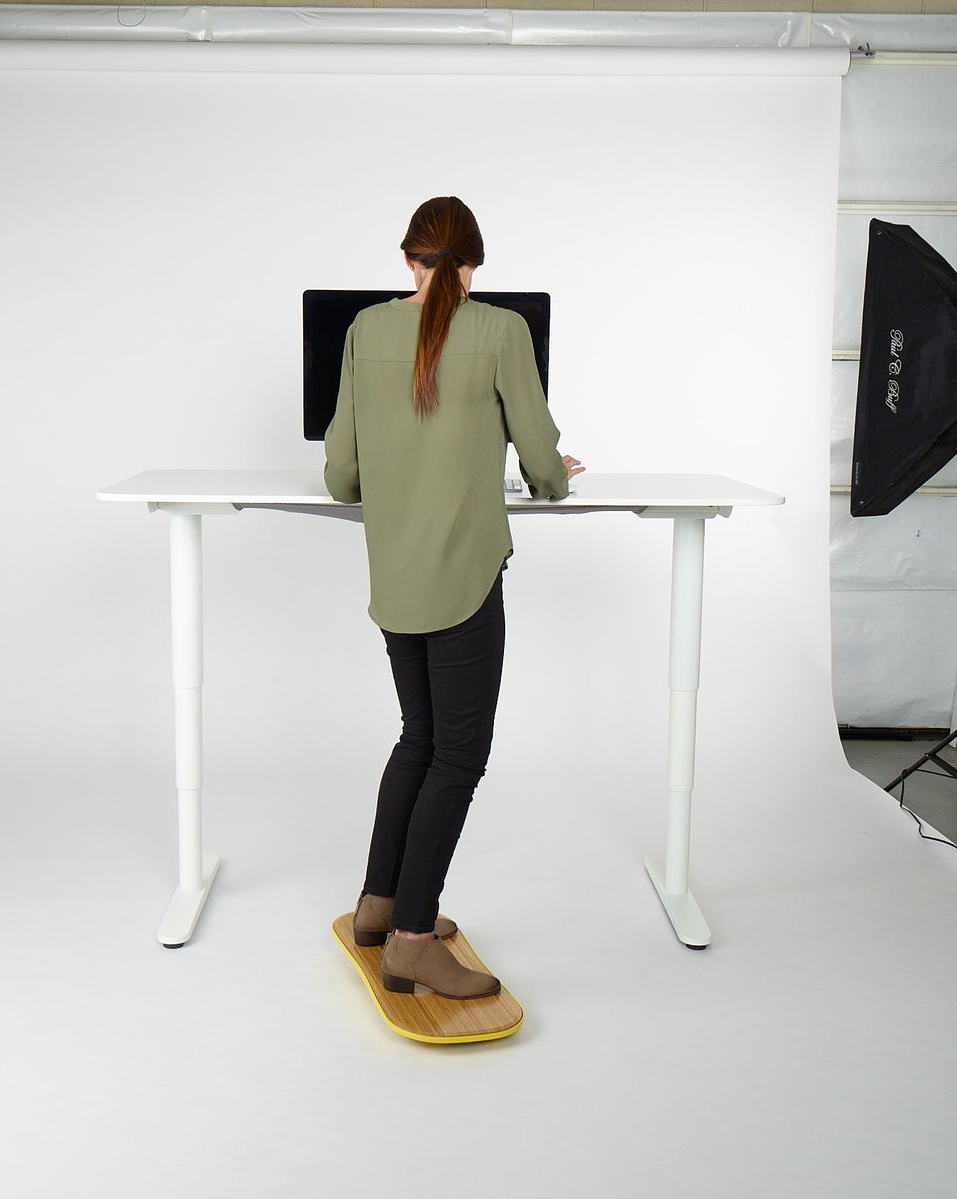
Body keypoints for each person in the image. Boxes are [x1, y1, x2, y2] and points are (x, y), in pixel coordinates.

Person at [322, 196, 584, 1000]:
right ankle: (410, 940)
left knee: (419, 739)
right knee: (458, 756)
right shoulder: (503, 331)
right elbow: (542, 467)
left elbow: (340, 475)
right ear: (472, 264)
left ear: (409, 259)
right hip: (465, 577)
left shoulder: (365, 330)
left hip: (396, 576)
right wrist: (551, 475)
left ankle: (377, 906)